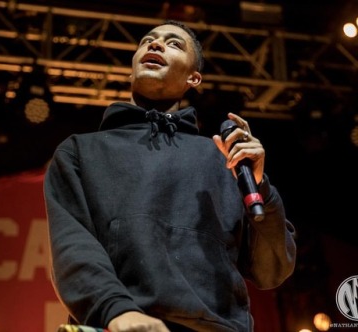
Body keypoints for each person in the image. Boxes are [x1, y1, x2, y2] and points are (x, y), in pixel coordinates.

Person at [44, 19, 297, 332]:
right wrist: (116, 311)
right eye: (147, 41)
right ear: (132, 68)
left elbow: (272, 269)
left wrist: (262, 188)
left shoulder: (224, 159)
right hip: (121, 325)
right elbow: (73, 246)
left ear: (194, 77)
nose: (155, 44)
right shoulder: (80, 152)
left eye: (174, 43)